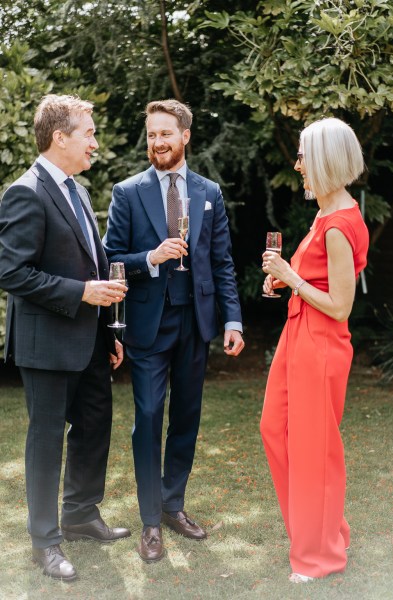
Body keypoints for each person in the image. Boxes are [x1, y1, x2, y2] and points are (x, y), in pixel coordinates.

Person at [103, 99, 245, 562]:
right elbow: (109, 261)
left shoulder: (209, 192)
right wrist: (151, 257)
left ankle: (173, 505)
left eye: (166, 133)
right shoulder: (127, 192)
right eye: (151, 135)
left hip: (195, 323)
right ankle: (149, 522)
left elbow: (221, 261)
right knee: (148, 419)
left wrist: (232, 318)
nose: (157, 142)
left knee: (186, 417)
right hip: (147, 324)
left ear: (185, 135)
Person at [0, 94, 131, 581]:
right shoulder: (25, 192)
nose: (94, 143)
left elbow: (92, 261)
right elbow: (12, 272)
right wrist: (82, 292)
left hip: (91, 339)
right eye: (89, 134)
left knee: (96, 426)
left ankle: (80, 514)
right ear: (61, 138)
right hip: (47, 343)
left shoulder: (76, 189)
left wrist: (107, 329)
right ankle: (45, 541)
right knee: (47, 439)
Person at [260, 117, 369, 583]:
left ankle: (319, 555)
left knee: (312, 449)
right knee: (275, 430)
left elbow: (341, 307)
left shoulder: (340, 224)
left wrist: (292, 279)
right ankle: (328, 530)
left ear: (323, 159)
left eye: (304, 155)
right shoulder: (324, 213)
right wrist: (288, 282)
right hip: (298, 338)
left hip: (321, 345)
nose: (298, 163)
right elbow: (316, 285)